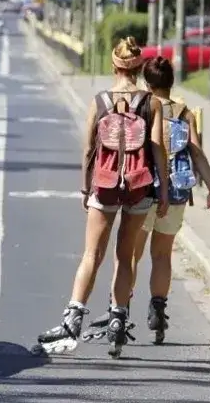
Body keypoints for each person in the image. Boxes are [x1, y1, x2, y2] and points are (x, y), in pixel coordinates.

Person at [35, 37, 169, 358]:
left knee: (92, 255)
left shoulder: (99, 101)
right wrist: (163, 189)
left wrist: (86, 188)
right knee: (125, 256)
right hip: (138, 186)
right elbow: (158, 149)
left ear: (114, 66)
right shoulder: (151, 103)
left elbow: (87, 150)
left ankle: (72, 320)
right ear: (139, 68)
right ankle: (117, 322)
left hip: (105, 184)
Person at [132, 56, 210, 342]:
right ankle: (158, 310)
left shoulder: (142, 108)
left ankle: (119, 311)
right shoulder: (184, 113)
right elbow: (197, 152)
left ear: (147, 82)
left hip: (144, 190)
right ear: (171, 82)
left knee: (131, 255)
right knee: (162, 255)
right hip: (176, 193)